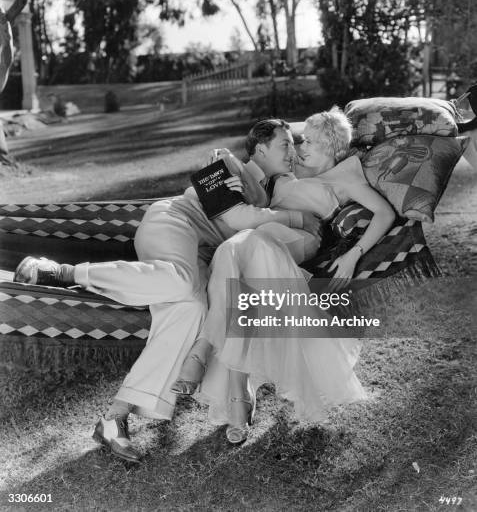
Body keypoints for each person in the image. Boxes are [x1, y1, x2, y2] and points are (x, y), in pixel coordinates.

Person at [14, 119, 322, 463]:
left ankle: (114, 418)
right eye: (285, 144)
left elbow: (251, 223)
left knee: (193, 309)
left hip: (198, 257)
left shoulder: (265, 195)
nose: (292, 152)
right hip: (173, 224)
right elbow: (237, 219)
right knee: (181, 282)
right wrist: (296, 219)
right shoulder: (223, 162)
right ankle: (61, 272)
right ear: (261, 148)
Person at [172, 108, 396, 444]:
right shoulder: (295, 164)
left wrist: (354, 254)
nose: (301, 148)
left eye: (312, 143)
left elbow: (385, 212)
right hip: (262, 235)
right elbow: (274, 135)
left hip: (300, 241)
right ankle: (238, 396)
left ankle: (204, 349)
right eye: (301, 141)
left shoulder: (347, 175)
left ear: (334, 148)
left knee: (240, 248)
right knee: (234, 254)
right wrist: (227, 161)